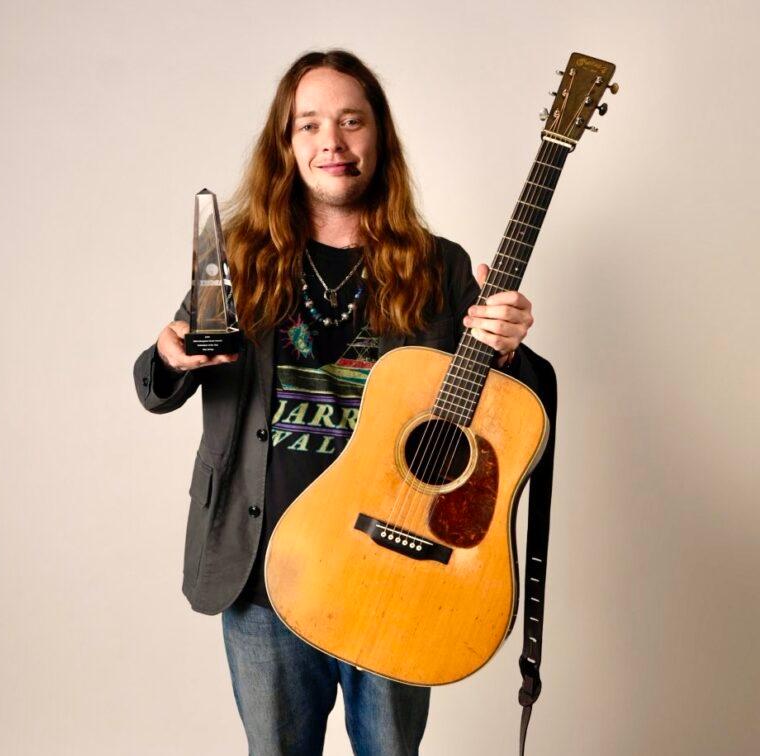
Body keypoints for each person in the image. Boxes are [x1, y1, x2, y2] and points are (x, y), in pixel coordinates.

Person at [134, 49, 551, 755]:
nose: (332, 141)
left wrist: (507, 347)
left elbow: (504, 416)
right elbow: (163, 376)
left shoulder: (438, 264)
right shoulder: (239, 258)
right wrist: (170, 358)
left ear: (379, 137)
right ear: (286, 144)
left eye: (352, 121)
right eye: (310, 125)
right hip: (264, 568)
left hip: (391, 567)